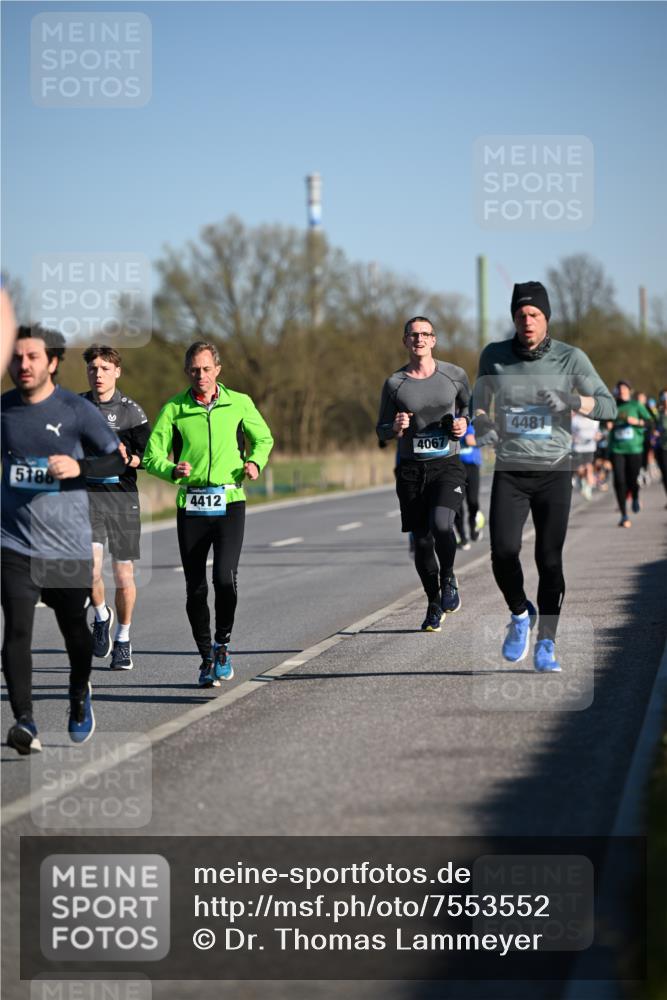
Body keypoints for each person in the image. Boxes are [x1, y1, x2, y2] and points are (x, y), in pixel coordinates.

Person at [473, 281, 616, 672]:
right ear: (513, 319)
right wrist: (484, 426)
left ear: (546, 318)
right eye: (520, 314)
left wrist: (571, 400)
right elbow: (478, 408)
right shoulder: (495, 357)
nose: (527, 321)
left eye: (534, 314)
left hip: (554, 472)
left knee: (549, 560)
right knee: (503, 551)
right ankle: (520, 613)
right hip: (511, 471)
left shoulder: (571, 358)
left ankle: (547, 643)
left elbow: (609, 406)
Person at [1, 325, 124, 754]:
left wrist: (80, 469)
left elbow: (116, 458)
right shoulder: (3, 411)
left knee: (75, 631)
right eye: (16, 357)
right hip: (13, 543)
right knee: (17, 628)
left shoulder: (75, 410)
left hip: (66, 544)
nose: (23, 365)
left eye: (33, 357)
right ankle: (25, 722)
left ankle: (78, 692)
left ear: (52, 362)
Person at [143, 341, 273, 688]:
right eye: (194, 370)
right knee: (196, 588)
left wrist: (255, 462)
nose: (200, 375)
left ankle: (223, 645)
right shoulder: (174, 409)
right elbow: (150, 455)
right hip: (192, 506)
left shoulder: (239, 402)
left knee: (224, 579)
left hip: (230, 502)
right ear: (188, 372)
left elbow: (264, 439)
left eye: (205, 369)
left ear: (218, 369)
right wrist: (172, 470)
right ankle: (205, 658)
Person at [376, 316, 470, 632]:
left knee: (443, 524)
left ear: (434, 340)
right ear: (405, 341)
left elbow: (471, 411)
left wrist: (464, 424)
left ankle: (448, 578)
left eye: (425, 334)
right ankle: (433, 603)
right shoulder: (394, 383)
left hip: (447, 465)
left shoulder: (455, 375)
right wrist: (395, 428)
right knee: (422, 539)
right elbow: (381, 429)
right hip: (411, 471)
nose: (419, 339)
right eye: (413, 335)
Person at [81, 345, 152, 670]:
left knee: (123, 575)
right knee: (90, 569)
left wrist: (131, 458)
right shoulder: (77, 407)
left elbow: (148, 457)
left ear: (117, 372)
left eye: (105, 368)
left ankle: (123, 638)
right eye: (93, 368)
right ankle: (101, 615)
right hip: (88, 497)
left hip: (122, 498)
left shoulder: (131, 413)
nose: (98, 374)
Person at [607, 381, 654, 527]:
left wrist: (637, 422)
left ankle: (635, 496)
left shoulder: (636, 405)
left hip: (634, 449)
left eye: (624, 389)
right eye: (619, 390)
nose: (621, 392)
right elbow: (603, 421)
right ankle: (624, 515)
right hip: (617, 449)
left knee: (632, 479)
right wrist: (607, 424)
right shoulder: (613, 406)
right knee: (619, 481)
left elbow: (649, 423)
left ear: (629, 390)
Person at [454, 421, 485, 550]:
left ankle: (474, 526)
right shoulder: (448, 417)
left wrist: (474, 439)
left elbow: (481, 437)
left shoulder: (472, 418)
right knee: (457, 504)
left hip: (472, 466)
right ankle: (462, 537)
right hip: (455, 468)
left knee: (472, 501)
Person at [570, 411, 600, 500]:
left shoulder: (594, 420)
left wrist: (597, 436)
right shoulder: (575, 420)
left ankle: (588, 488)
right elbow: (571, 433)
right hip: (578, 448)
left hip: (590, 448)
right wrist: (574, 438)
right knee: (580, 469)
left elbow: (597, 432)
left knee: (589, 467)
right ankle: (583, 481)